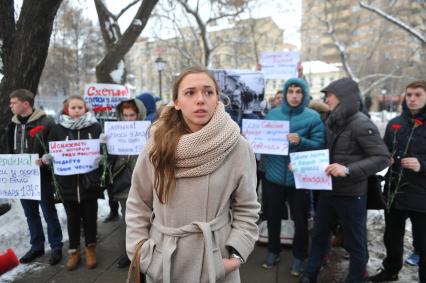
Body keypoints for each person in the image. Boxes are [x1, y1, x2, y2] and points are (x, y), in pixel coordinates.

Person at [125, 66, 260, 283]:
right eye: (190, 93)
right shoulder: (156, 146)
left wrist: (234, 257)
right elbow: (138, 203)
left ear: (217, 98)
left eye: (208, 92)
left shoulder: (237, 147)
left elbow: (247, 208)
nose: (200, 99)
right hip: (164, 262)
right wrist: (142, 254)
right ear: (176, 102)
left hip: (216, 262)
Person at [301, 78, 390, 283]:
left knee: (355, 243)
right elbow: (329, 155)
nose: (326, 100)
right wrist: (302, 166)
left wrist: (348, 170)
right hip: (328, 192)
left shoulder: (361, 123)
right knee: (319, 235)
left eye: (329, 96)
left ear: (343, 98)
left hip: (351, 195)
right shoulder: (334, 120)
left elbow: (382, 158)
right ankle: (309, 275)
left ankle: (356, 278)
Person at [261, 78, 324, 277]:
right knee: (272, 216)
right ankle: (273, 251)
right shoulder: (272, 114)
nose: (294, 95)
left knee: (301, 219)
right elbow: (262, 141)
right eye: (291, 91)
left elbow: (320, 145)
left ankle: (299, 256)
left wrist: (301, 140)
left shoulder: (313, 117)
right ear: (285, 94)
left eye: (298, 91)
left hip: (300, 178)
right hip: (273, 176)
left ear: (304, 94)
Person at [368, 80, 426, 283]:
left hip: (422, 195)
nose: (412, 98)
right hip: (394, 192)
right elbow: (383, 151)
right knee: (392, 237)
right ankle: (391, 270)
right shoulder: (395, 124)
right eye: (409, 94)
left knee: (423, 242)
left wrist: (422, 165)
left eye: (418, 94)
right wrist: (386, 158)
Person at [7, 89, 63, 265]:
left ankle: (56, 247)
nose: (11, 106)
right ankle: (37, 246)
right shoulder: (12, 125)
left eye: (13, 102)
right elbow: (9, 149)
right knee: (30, 214)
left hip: (41, 177)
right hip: (22, 178)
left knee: (48, 213)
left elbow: (54, 147)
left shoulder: (46, 122)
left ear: (25, 104)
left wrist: (46, 159)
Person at [46, 95, 102, 271]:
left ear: (85, 109)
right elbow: (51, 148)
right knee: (72, 219)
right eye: (73, 107)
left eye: (80, 107)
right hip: (68, 184)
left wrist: (103, 153)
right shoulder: (57, 128)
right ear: (66, 109)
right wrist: (48, 158)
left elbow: (103, 151)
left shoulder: (95, 126)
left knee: (90, 218)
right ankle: (74, 251)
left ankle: (90, 249)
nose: (77, 110)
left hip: (89, 183)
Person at [107, 99, 146, 268]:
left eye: (132, 115)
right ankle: (128, 253)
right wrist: (104, 146)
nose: (129, 119)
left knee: (146, 219)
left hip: (144, 183)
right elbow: (108, 161)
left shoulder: (148, 130)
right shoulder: (115, 132)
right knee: (127, 219)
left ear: (139, 114)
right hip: (124, 183)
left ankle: (146, 252)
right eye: (125, 115)